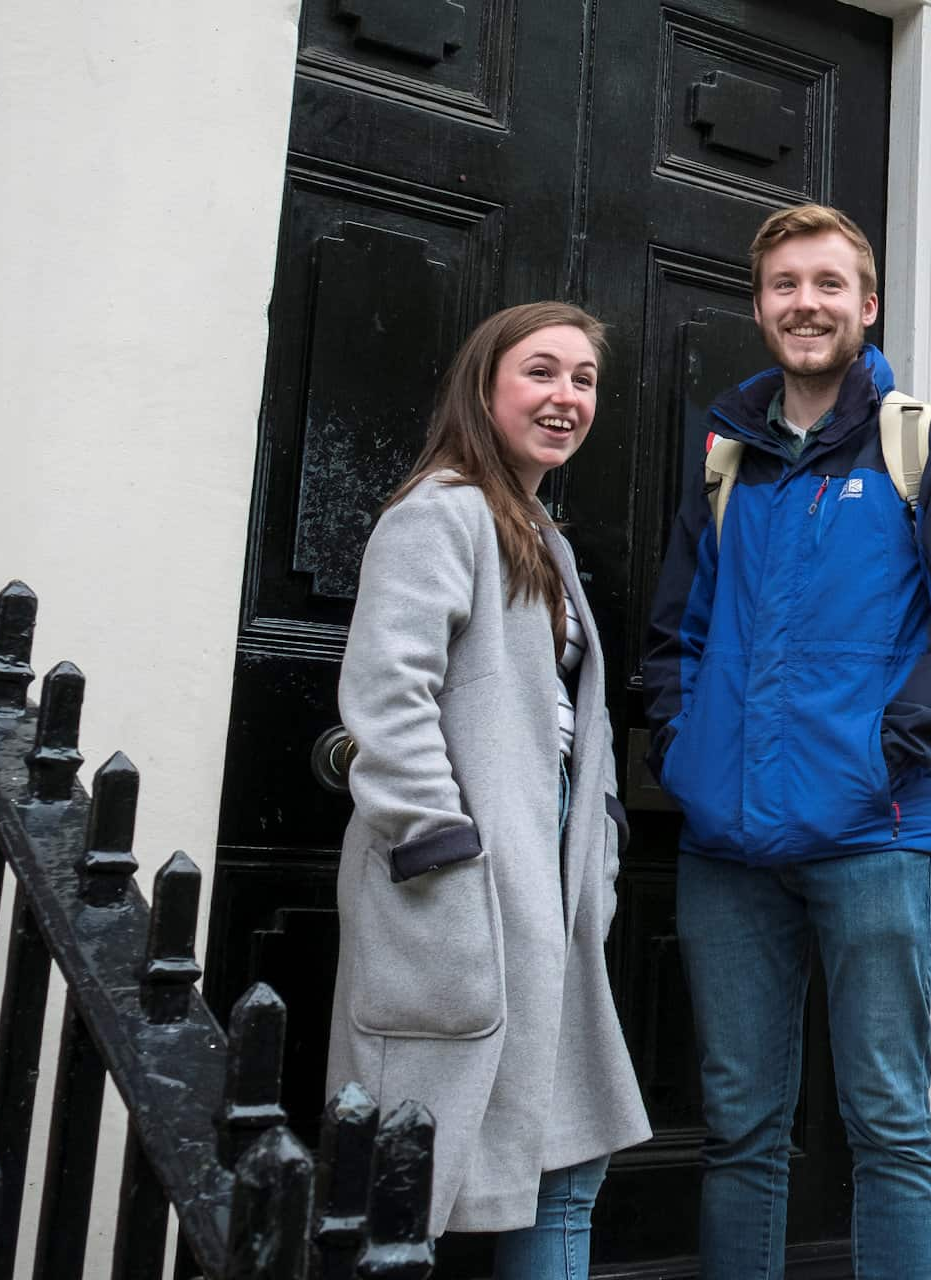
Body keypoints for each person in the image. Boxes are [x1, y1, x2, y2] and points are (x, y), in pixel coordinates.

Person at [643, 205, 931, 1278]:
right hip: (728, 847)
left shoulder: (928, 448)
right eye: (783, 286)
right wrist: (684, 749)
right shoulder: (729, 457)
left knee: (888, 1124)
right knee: (741, 1132)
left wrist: (884, 755)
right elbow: (679, 630)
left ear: (867, 304)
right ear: (759, 305)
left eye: (826, 283)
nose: (804, 303)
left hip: (879, 836)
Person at [326, 301, 650, 1278]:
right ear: (485, 386)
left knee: (564, 1160)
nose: (566, 397)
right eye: (541, 372)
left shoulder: (539, 533)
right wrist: (439, 844)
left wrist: (595, 840)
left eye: (584, 379)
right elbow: (388, 693)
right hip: (461, 880)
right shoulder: (443, 508)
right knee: (406, 1178)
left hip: (544, 877)